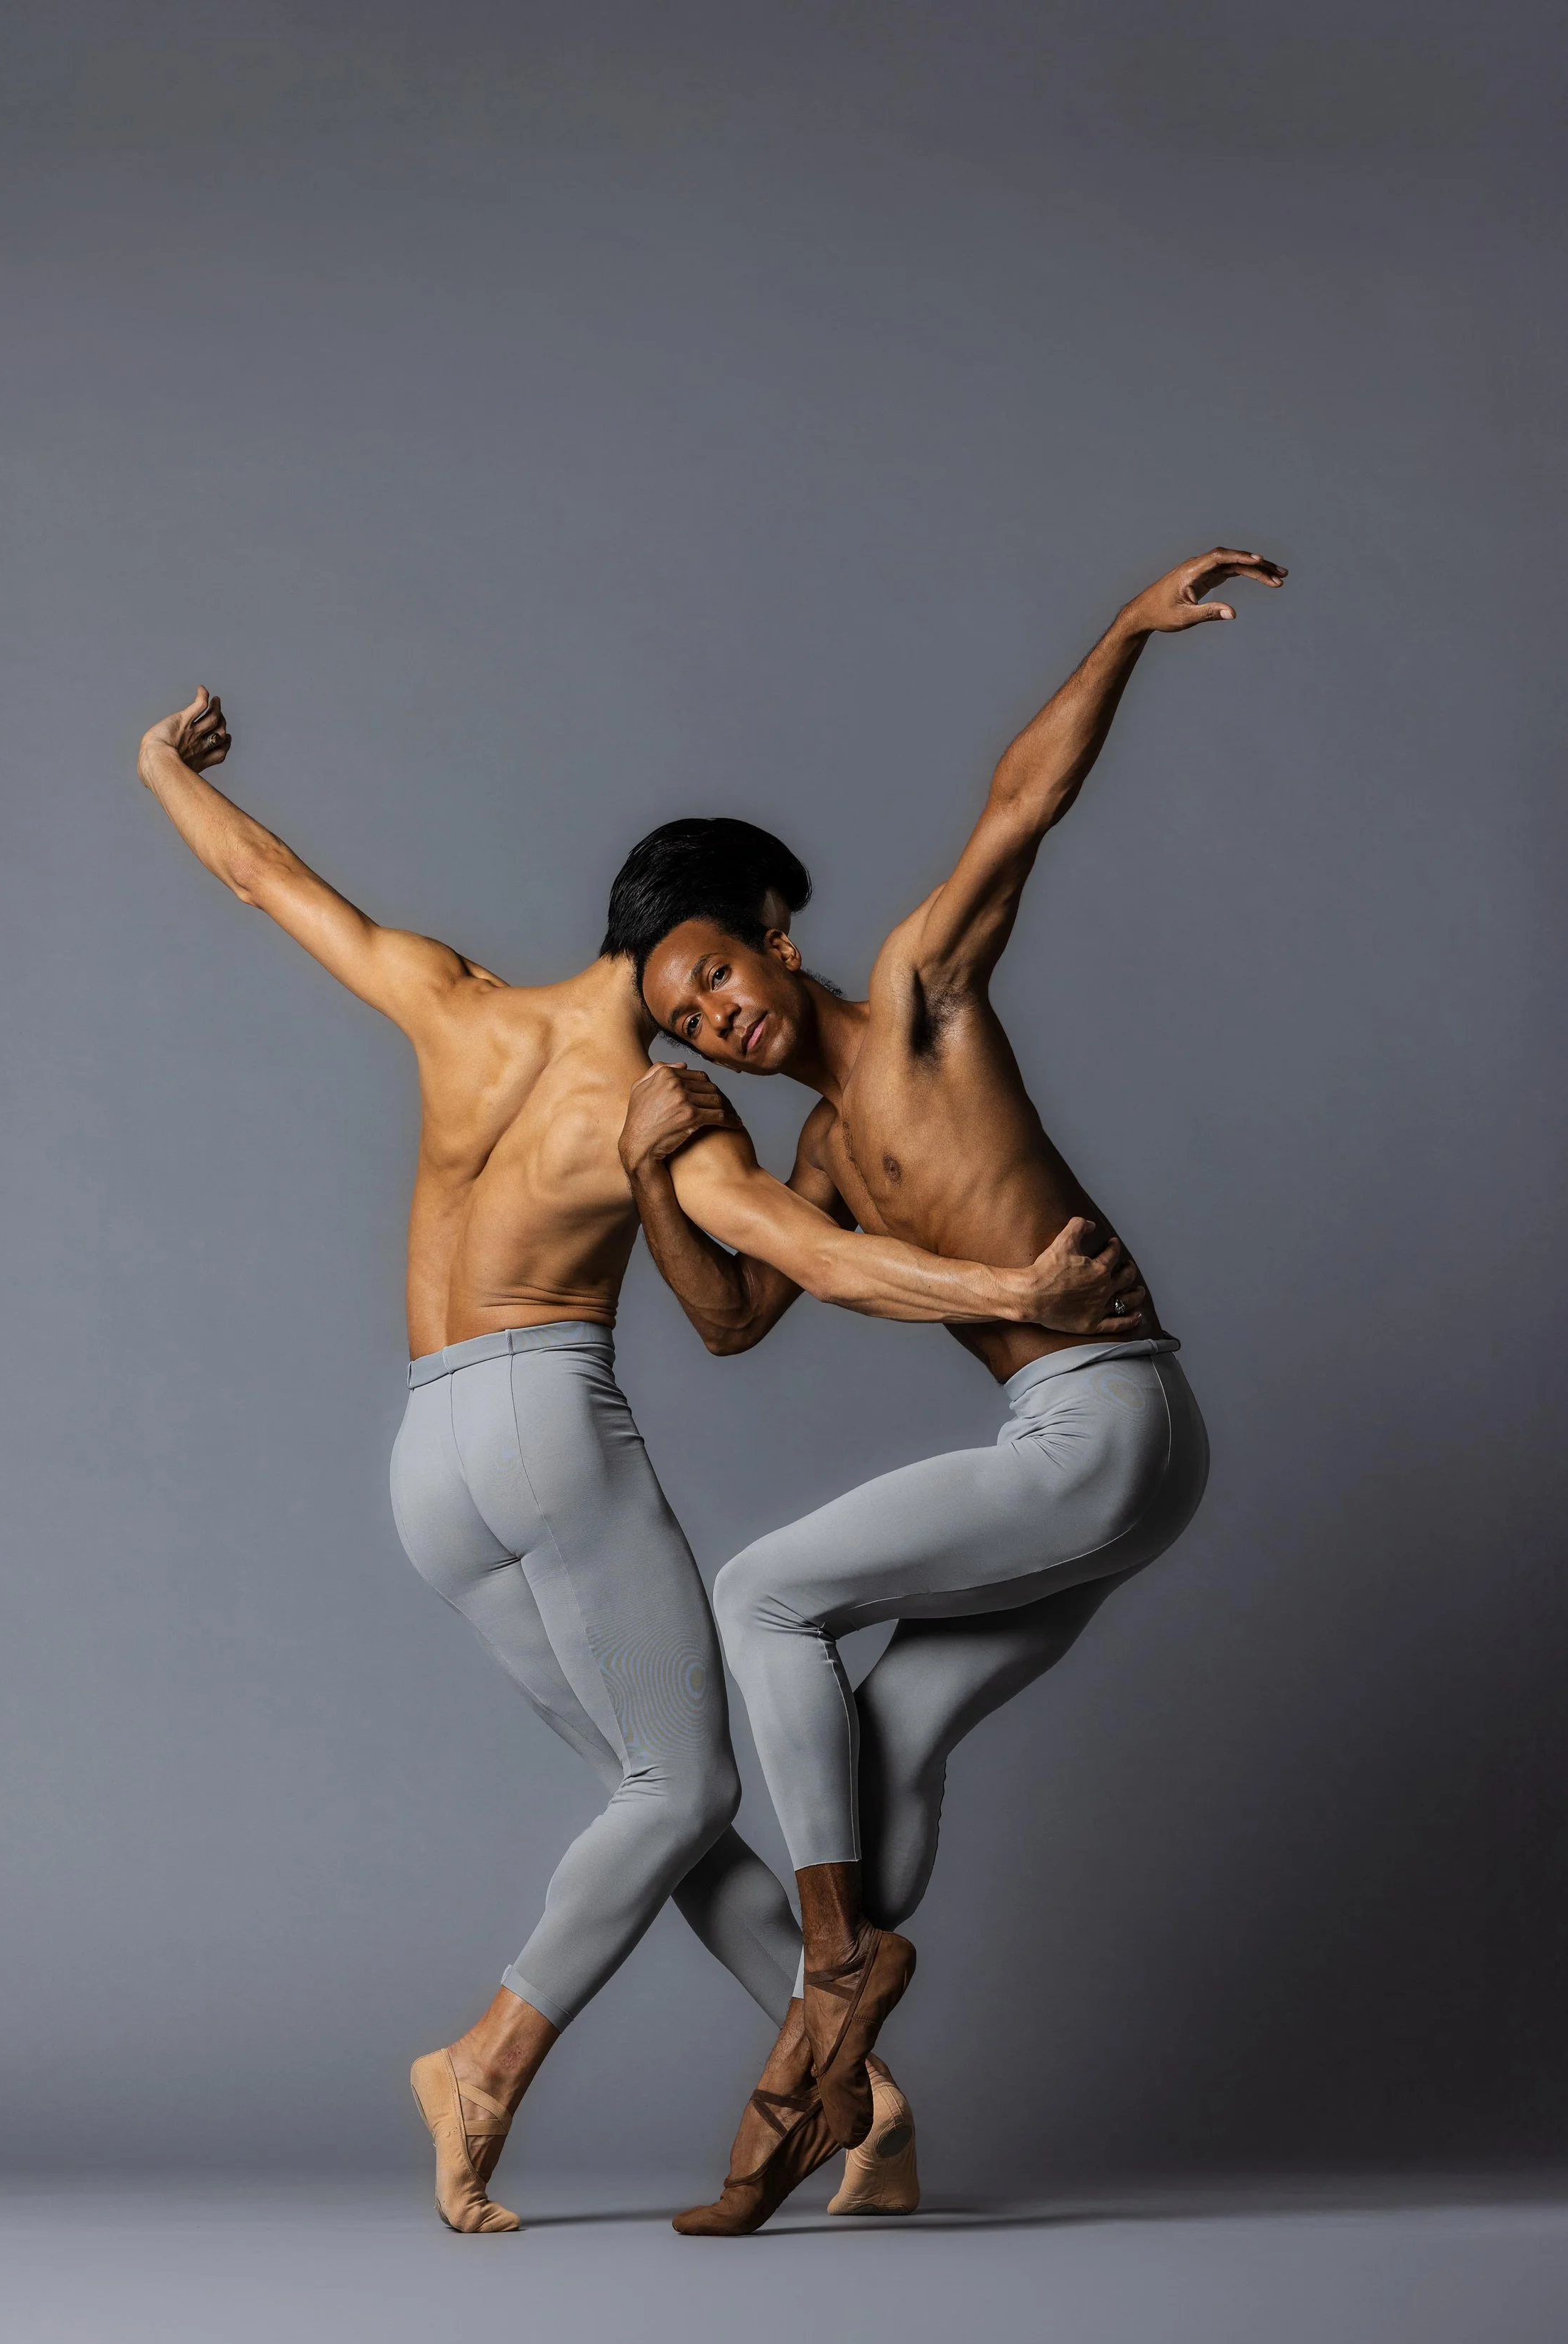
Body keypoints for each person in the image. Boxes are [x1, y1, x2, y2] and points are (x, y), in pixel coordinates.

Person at [136, 697, 1147, 2233]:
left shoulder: (450, 1000)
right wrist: (1015, 1292)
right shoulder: (665, 1116)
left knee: (651, 1798)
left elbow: (264, 880)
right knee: (681, 1785)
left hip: (425, 1455)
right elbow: (810, 1263)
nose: (724, 1011)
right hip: (541, 1428)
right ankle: (483, 2065)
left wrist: (159, 765)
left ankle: (862, 2108)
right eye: (710, 980)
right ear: (702, 943)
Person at [613, 546, 1285, 2233]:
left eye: (715, 973)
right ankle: (832, 2062)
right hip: (1096, 1456)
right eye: (682, 1019)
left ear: (775, 937)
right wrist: (648, 1180)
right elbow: (732, 1323)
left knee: (763, 1595)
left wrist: (1123, 632)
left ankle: (830, 1976)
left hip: (1102, 1419)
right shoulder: (822, 1159)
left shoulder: (920, 998)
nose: (712, 1019)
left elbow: (1019, 803)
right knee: (880, 1752)